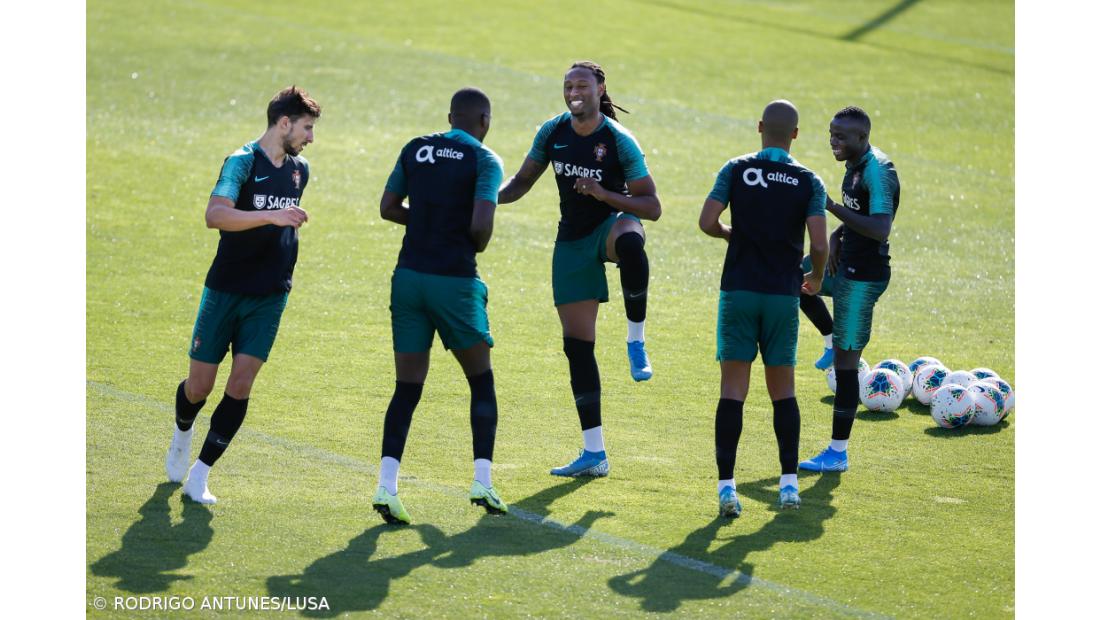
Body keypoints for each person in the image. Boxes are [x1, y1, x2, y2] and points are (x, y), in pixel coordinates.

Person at [497, 60, 661, 478]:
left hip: (611, 224)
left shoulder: (619, 139)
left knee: (631, 243)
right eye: (568, 85)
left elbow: (651, 207)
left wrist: (604, 193)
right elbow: (519, 183)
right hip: (572, 240)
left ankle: (636, 340)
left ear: (600, 87)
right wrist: (483, 199)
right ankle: (594, 453)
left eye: (582, 85)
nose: (574, 91)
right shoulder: (552, 132)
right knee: (577, 348)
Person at [165, 86, 321, 504]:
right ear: (283, 122)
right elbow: (215, 215)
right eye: (306, 128)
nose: (310, 138)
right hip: (226, 290)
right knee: (199, 387)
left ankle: (200, 475)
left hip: (270, 294)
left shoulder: (299, 170)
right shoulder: (241, 162)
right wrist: (271, 214)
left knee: (241, 382)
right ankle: (182, 432)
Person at [371, 87, 507, 524]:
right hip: (454, 283)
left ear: (450, 117)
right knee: (481, 382)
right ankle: (482, 481)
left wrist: (427, 222)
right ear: (484, 121)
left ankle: (386, 487)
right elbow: (481, 229)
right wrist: (460, 231)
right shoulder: (485, 160)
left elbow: (388, 208)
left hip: (407, 278)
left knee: (406, 389)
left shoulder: (416, 148)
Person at [699, 100, 828, 515]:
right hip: (782, 295)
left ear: (759, 128)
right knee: (783, 391)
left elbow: (706, 221)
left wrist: (729, 234)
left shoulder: (735, 169)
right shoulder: (808, 180)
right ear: (794, 134)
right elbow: (821, 244)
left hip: (738, 290)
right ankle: (789, 485)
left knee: (732, 390)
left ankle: (726, 489)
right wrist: (818, 277)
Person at [799, 106, 901, 473]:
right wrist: (839, 235)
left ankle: (837, 453)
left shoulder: (877, 170)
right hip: (846, 265)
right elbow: (860, 216)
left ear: (863, 138)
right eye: (831, 134)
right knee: (798, 278)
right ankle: (828, 339)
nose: (833, 142)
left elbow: (880, 227)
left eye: (841, 137)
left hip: (863, 278)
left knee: (847, 366)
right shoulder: (855, 166)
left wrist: (832, 209)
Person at [800, 253, 837, 369]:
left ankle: (838, 347)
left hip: (859, 264)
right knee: (799, 281)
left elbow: (819, 246)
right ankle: (832, 344)